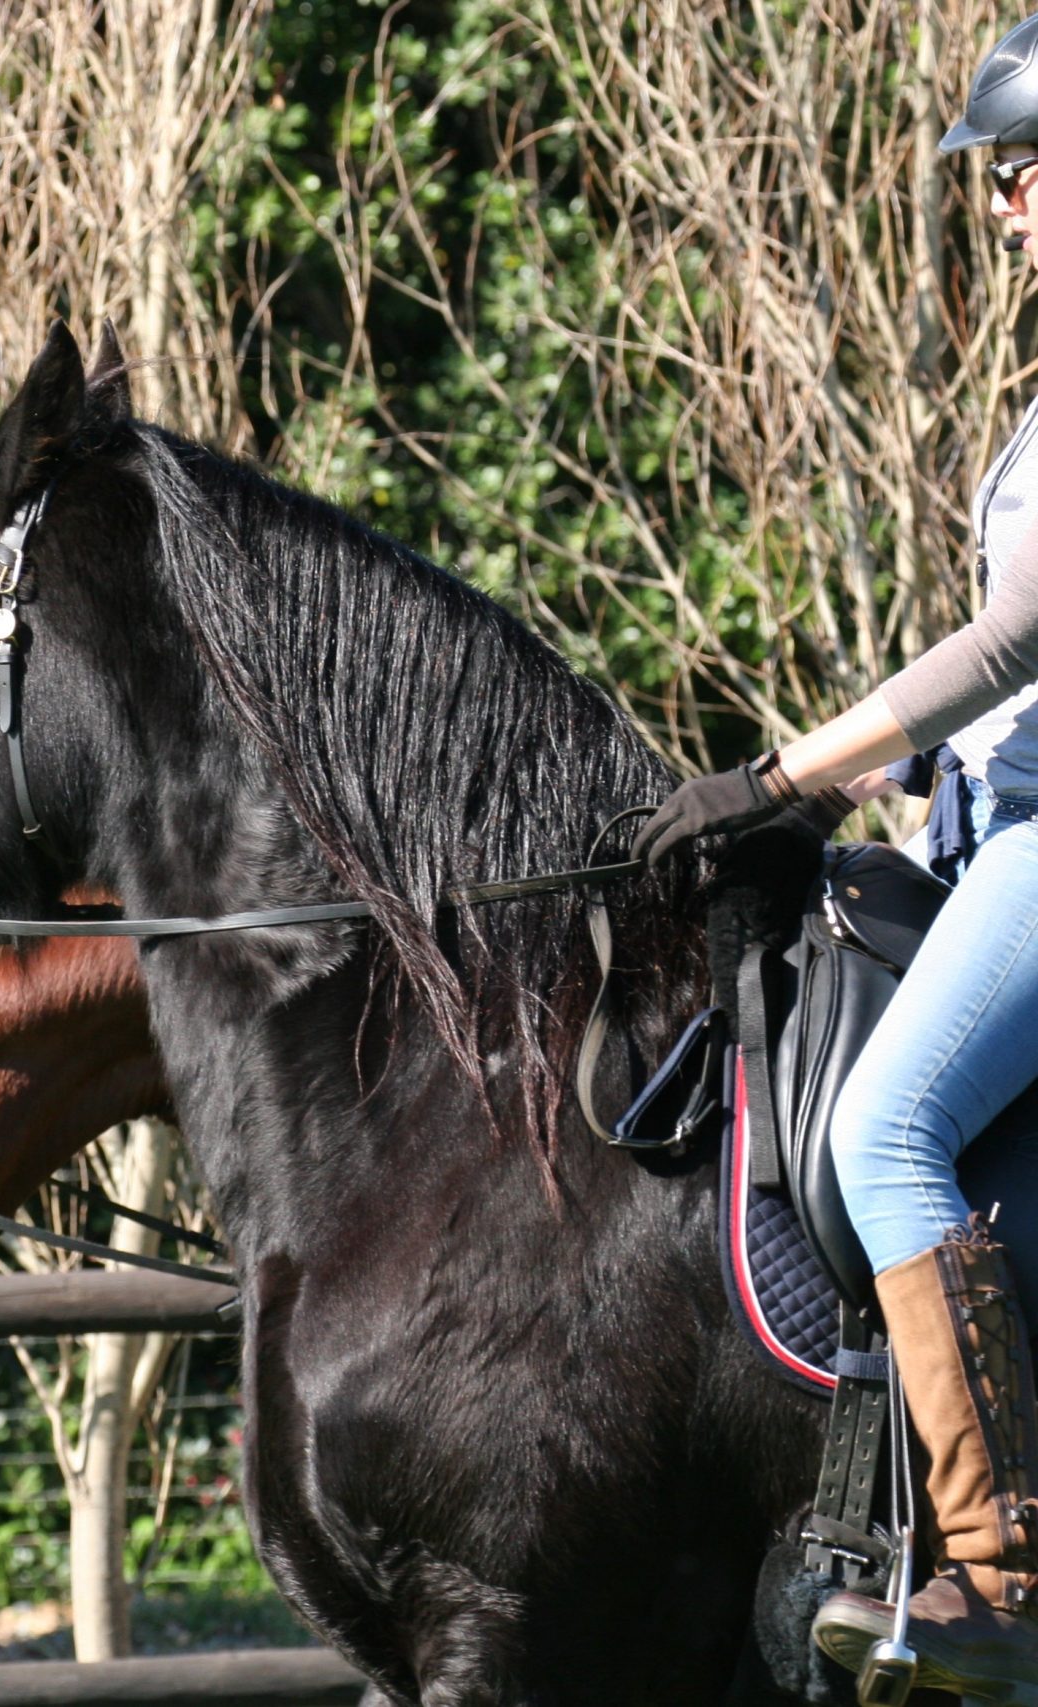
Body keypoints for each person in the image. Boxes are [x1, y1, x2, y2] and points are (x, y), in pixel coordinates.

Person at [635, 16, 1038, 1692]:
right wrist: (851, 810)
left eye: (1022, 172)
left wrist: (782, 766)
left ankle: (1006, 1577)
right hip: (995, 826)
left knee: (883, 1129)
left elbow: (1017, 640)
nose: (1003, 206)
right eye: (1003, 182)